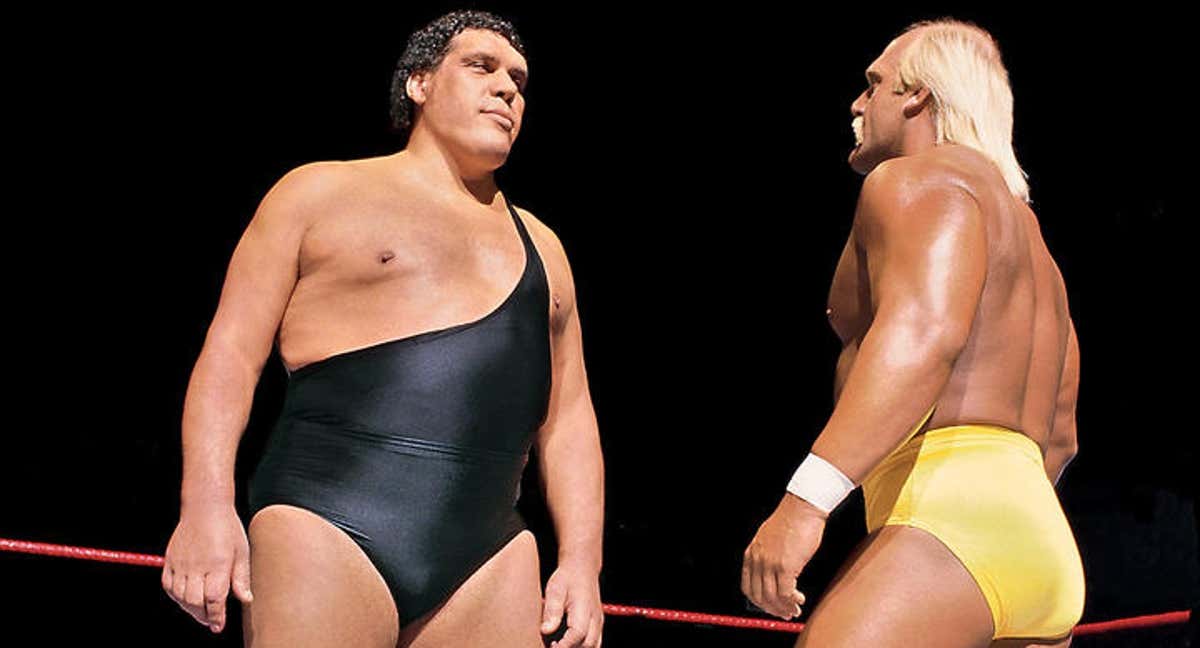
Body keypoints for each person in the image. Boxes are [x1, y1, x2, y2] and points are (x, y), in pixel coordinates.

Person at [161, 10, 605, 648]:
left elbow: (569, 418)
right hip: (325, 520)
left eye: (518, 80)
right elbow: (231, 355)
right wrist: (205, 505)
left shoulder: (546, 248)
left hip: (491, 556)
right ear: (419, 83)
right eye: (481, 67)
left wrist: (582, 563)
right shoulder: (317, 193)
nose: (507, 89)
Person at [741, 18, 1084, 647]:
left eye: (874, 84)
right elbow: (1060, 434)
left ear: (918, 95)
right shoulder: (1038, 255)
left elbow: (924, 335)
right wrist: (1009, 525)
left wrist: (805, 504)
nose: (858, 103)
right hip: (1041, 538)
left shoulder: (917, 180)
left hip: (949, 523)